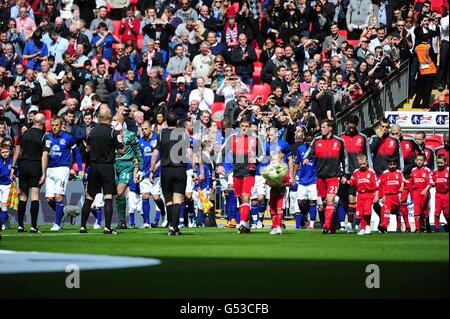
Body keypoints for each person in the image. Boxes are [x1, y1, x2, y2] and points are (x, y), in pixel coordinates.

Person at [79, 105, 125, 234]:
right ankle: (107, 227)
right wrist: (120, 137)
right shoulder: (112, 132)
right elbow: (122, 151)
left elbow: (87, 148)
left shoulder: (92, 131)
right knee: (108, 197)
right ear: (110, 117)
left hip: (94, 166)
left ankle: (82, 226)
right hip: (107, 167)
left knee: (89, 197)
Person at [149, 112, 197, 236]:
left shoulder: (161, 134)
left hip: (166, 170)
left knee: (168, 200)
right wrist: (195, 171)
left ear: (166, 122)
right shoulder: (183, 133)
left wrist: (151, 170)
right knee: (177, 199)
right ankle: (174, 227)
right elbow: (190, 154)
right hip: (180, 169)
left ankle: (172, 226)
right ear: (177, 122)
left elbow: (155, 154)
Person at [216, 117, 264, 234]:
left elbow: (262, 155)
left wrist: (256, 160)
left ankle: (242, 222)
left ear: (249, 127)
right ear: (239, 127)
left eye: (246, 126)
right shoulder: (232, 138)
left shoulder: (255, 139)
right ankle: (247, 223)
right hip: (236, 171)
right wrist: (219, 164)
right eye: (242, 126)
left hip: (250, 172)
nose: (244, 128)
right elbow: (222, 151)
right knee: (239, 198)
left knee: (245, 196)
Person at [304, 120, 349, 234]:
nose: (321, 129)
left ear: (330, 128)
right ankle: (332, 226)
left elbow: (345, 159)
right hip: (320, 176)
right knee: (323, 203)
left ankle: (326, 225)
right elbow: (310, 151)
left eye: (324, 127)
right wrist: (307, 158)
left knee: (330, 200)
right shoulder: (317, 140)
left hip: (333, 176)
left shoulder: (339, 141)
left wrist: (345, 174)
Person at [42, 116, 83, 231]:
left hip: (62, 169)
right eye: (53, 125)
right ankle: (63, 212)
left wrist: (80, 168)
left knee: (58, 196)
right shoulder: (47, 137)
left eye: (57, 125)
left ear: (61, 125)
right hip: (49, 169)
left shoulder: (68, 138)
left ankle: (57, 223)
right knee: (49, 199)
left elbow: (77, 153)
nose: (54, 127)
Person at [11, 113, 47, 233]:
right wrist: (43, 173)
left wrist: (12, 167)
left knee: (23, 196)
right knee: (35, 196)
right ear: (43, 123)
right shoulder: (44, 137)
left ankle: (20, 225)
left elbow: (17, 151)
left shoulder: (24, 134)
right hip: (35, 166)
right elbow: (44, 156)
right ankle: (33, 226)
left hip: (23, 166)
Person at [338, 115, 371, 232]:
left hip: (358, 173)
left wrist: (370, 171)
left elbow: (367, 155)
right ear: (346, 124)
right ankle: (351, 223)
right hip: (345, 174)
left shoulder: (362, 138)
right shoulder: (340, 137)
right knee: (344, 200)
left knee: (355, 200)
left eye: (353, 127)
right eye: (349, 127)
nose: (351, 129)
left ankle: (355, 224)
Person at [112, 113, 144, 229]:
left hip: (126, 165)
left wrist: (141, 168)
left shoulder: (130, 135)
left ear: (120, 122)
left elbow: (137, 151)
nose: (113, 122)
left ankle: (122, 221)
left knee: (120, 192)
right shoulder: (112, 134)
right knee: (117, 195)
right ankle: (122, 221)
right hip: (114, 165)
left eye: (115, 120)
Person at [138, 120, 167, 228]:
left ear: (150, 128)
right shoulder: (140, 141)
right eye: (142, 129)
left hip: (157, 173)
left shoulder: (157, 139)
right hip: (144, 173)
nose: (144, 131)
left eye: (146, 128)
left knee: (156, 197)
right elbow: (138, 158)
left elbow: (164, 155)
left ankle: (163, 212)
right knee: (144, 196)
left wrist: (156, 166)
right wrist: (137, 171)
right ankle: (146, 222)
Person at [349, 154, 379, 235]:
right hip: (360, 194)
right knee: (360, 212)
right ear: (358, 164)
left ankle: (368, 227)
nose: (362, 166)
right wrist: (346, 181)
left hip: (369, 194)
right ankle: (362, 228)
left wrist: (376, 196)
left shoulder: (371, 172)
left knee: (367, 212)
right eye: (360, 164)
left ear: (367, 162)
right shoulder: (356, 172)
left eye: (364, 164)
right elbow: (351, 182)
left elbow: (376, 186)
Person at [294, 132, 318, 230]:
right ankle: (304, 216)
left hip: (313, 179)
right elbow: (296, 162)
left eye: (310, 140)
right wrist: (294, 175)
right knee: (300, 202)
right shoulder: (300, 149)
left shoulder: (317, 149)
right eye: (307, 140)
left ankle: (311, 224)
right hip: (302, 179)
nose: (309, 142)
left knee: (313, 201)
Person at [379, 157, 407, 233]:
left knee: (399, 211)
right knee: (386, 210)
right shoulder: (385, 173)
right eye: (390, 164)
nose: (392, 166)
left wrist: (401, 187)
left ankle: (401, 227)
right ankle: (384, 226)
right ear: (388, 165)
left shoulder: (399, 172)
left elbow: (403, 181)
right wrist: (381, 195)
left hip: (397, 196)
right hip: (388, 196)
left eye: (394, 164)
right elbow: (379, 183)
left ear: (396, 164)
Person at [409, 154, 432, 233]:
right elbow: (411, 183)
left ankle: (426, 225)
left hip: (424, 191)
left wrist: (425, 190)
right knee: (416, 210)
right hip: (416, 192)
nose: (419, 162)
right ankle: (417, 228)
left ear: (424, 161)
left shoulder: (427, 170)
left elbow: (430, 182)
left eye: (421, 160)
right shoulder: (413, 170)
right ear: (415, 160)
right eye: (418, 160)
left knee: (425, 210)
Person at [432, 154, 449, 232]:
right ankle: (436, 228)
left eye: (441, 163)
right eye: (438, 163)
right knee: (437, 212)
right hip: (438, 194)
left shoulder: (448, 171)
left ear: (445, 162)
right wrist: (432, 183)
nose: (440, 165)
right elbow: (432, 181)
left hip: (446, 194)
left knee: (447, 213)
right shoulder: (435, 172)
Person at [0, 142, 12, 234]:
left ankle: (2, 224)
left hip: (8, 186)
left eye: (7, 152)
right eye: (3, 152)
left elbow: (16, 174)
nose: (5, 153)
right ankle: (7, 217)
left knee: (4, 205)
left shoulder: (12, 161)